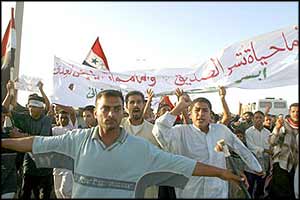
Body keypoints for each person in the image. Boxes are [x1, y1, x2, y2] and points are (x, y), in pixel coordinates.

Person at [2, 89, 245, 198]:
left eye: (116, 109)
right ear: (95, 112)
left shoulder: (140, 147)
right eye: (105, 109)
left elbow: (183, 164)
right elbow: (37, 143)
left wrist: (222, 173)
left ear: (123, 113)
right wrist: (5, 143)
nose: (110, 114)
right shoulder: (77, 139)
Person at [152, 88, 263, 198]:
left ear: (210, 114)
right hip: (190, 191)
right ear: (190, 114)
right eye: (197, 110)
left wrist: (256, 167)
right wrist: (180, 106)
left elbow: (240, 148)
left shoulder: (221, 130)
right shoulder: (181, 131)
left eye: (205, 110)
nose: (201, 114)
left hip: (217, 189)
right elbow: (159, 131)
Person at [2, 80, 53, 199]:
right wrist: (9, 92)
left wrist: (20, 136)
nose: (30, 109)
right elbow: (4, 110)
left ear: (41, 108)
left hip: (46, 167)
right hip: (29, 166)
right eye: (29, 106)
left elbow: (42, 140)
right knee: (24, 194)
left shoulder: (46, 120)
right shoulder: (24, 118)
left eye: (34, 106)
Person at [121, 89, 161, 198]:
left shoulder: (154, 131)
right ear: (126, 106)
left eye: (139, 102)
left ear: (144, 105)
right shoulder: (118, 127)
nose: (136, 105)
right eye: (132, 102)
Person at [269, 103, 298, 199]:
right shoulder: (283, 124)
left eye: (298, 112)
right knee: (281, 193)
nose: (296, 114)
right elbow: (272, 142)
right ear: (289, 112)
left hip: (296, 166)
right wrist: (277, 128)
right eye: (293, 111)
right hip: (281, 163)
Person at [244, 111, 272, 198]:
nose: (258, 119)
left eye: (260, 117)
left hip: (264, 164)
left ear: (264, 119)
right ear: (253, 119)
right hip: (251, 164)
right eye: (256, 117)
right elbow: (251, 146)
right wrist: (264, 150)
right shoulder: (248, 132)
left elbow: (270, 146)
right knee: (250, 186)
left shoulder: (268, 133)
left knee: (260, 187)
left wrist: (269, 151)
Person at [52, 110, 76, 198]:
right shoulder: (54, 130)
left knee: (65, 190)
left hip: (68, 166)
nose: (63, 120)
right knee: (58, 192)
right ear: (58, 118)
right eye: (61, 117)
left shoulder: (72, 129)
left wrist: (60, 104)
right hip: (57, 165)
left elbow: (72, 113)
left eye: (66, 118)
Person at [1, 106, 18, 198]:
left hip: (8, 178)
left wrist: (18, 136)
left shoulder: (9, 133)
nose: (2, 120)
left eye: (3, 117)